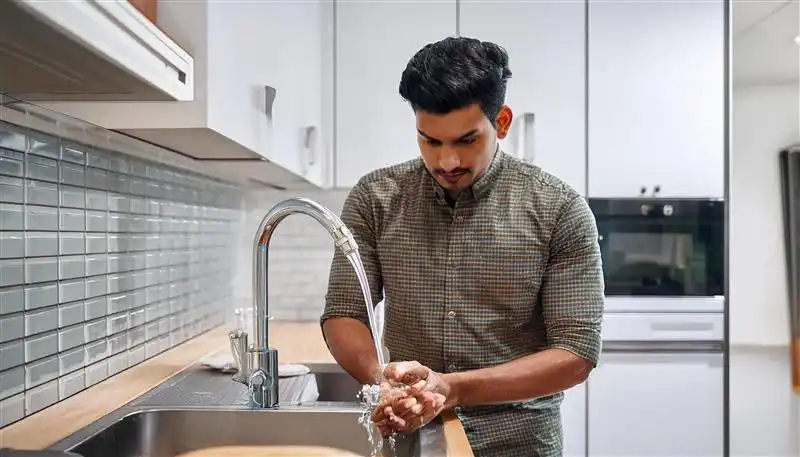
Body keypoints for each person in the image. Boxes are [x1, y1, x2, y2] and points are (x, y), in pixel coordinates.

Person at [320, 36, 605, 457]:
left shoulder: (559, 209)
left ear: (501, 122)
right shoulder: (375, 198)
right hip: (411, 435)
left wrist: (451, 389)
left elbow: (576, 351)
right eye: (430, 141)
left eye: (466, 140)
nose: (447, 162)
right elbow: (345, 311)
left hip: (518, 441)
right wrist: (381, 377)